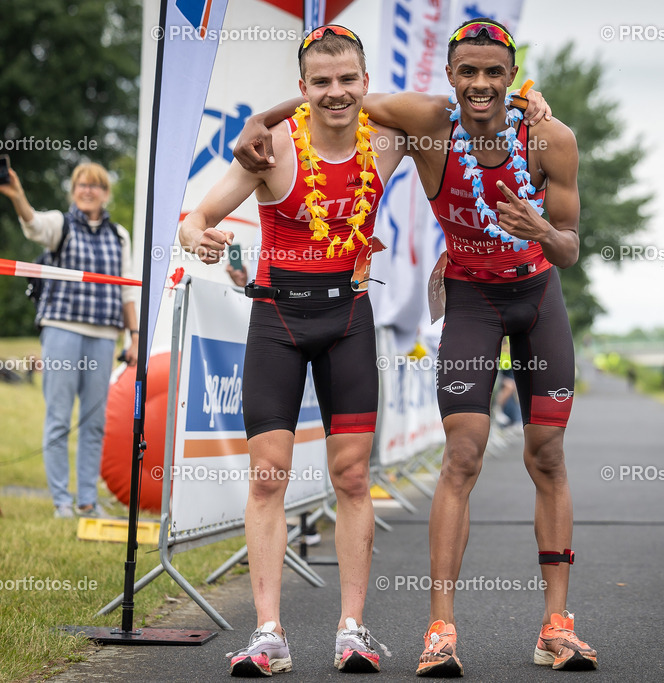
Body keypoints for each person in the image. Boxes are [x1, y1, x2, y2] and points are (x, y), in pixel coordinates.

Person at [235, 16, 591, 676]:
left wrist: (539, 226)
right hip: (472, 299)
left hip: (537, 296)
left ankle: (556, 625)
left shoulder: (548, 137)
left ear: (513, 78)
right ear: (450, 77)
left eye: (494, 72)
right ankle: (440, 628)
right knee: (462, 452)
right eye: (468, 72)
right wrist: (264, 115)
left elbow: (569, 247)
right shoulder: (429, 123)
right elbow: (334, 97)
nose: (481, 84)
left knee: (547, 454)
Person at [178, 26, 409, 676]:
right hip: (278, 316)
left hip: (350, 316)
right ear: (301, 89)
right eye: (321, 82)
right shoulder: (269, 146)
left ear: (365, 83)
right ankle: (269, 632)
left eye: (348, 80)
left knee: (353, 475)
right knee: (268, 476)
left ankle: (352, 628)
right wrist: (199, 235)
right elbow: (198, 216)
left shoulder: (389, 141)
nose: (336, 92)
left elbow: (447, 114)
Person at [0, 163, 139, 518]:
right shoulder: (62, 224)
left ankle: (87, 501)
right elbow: (34, 226)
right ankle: (61, 502)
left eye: (95, 185)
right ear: (73, 191)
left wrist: (133, 336)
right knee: (59, 417)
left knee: (95, 422)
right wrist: (18, 196)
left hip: (104, 336)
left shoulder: (119, 235)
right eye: (81, 185)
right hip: (61, 330)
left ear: (106, 193)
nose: (87, 190)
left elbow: (126, 292)